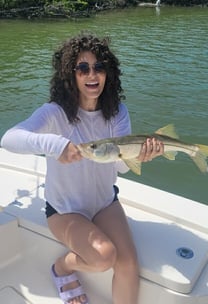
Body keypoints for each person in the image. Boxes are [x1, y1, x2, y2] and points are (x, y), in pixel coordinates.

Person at [1, 32, 164, 304]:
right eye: (83, 68)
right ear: (70, 74)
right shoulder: (54, 113)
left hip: (104, 203)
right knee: (103, 256)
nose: (92, 75)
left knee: (128, 265)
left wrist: (140, 156)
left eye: (99, 67)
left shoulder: (118, 112)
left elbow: (121, 168)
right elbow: (9, 138)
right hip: (65, 210)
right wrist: (56, 146)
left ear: (108, 73)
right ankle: (63, 267)